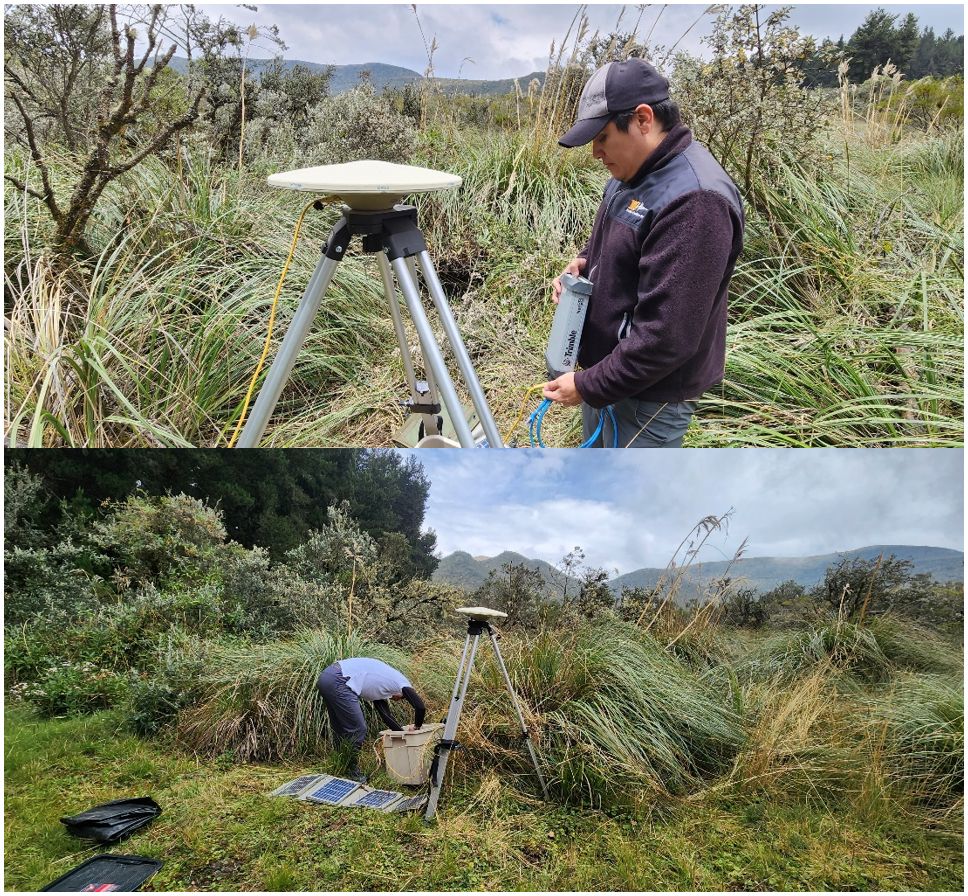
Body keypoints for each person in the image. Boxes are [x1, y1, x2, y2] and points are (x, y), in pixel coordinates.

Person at [544, 58, 745, 447]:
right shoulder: (633, 173)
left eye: (602, 137)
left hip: (648, 399)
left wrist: (588, 385)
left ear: (642, 118)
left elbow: (667, 338)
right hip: (610, 378)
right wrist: (586, 263)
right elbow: (621, 241)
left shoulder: (696, 202)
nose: (595, 153)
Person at [316, 657, 426, 781]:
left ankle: (340, 765)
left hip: (327, 676)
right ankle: (351, 772)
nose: (398, 700)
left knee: (340, 727)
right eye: (402, 698)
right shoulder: (402, 683)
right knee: (358, 729)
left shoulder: (382, 686)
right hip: (340, 679)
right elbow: (420, 707)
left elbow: (386, 716)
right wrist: (416, 727)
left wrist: (403, 734)